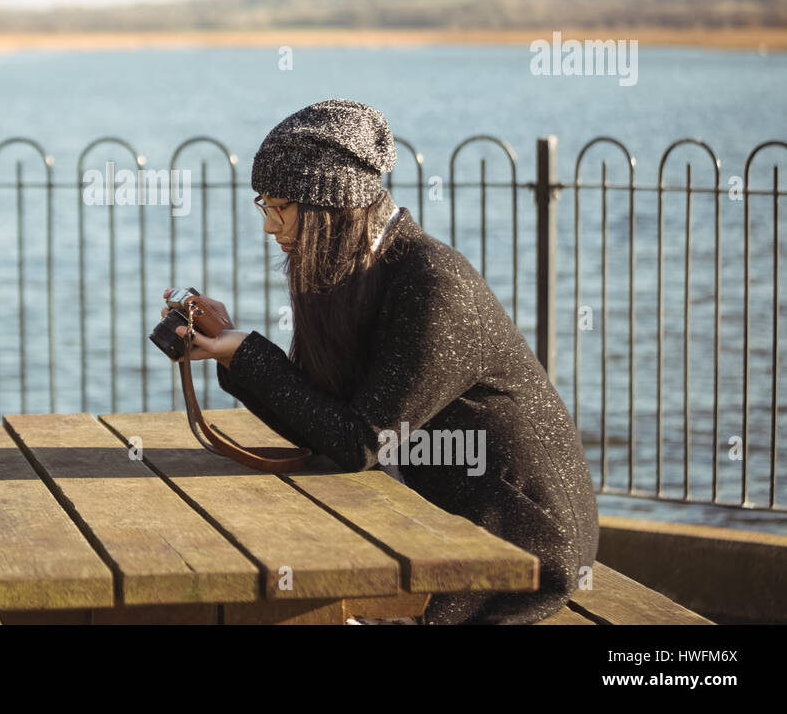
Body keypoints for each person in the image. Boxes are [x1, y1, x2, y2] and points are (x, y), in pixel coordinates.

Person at [163, 99, 599, 625]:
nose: (268, 226)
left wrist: (248, 354)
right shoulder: (358, 273)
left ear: (329, 205)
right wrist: (233, 348)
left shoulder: (433, 282)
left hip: (520, 550)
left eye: (280, 207)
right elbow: (328, 429)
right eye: (264, 205)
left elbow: (360, 441)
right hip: (439, 519)